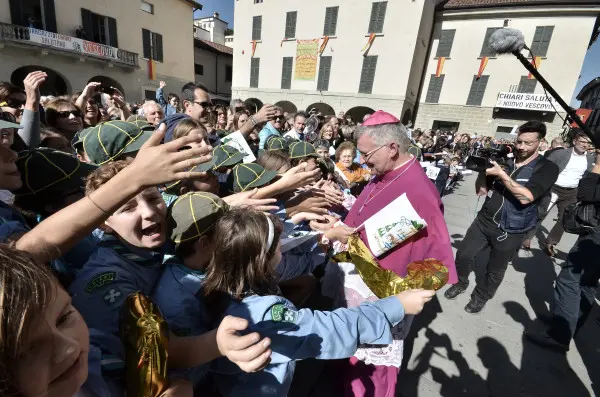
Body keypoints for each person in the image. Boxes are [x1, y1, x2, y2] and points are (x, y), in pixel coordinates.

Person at [200, 209, 435, 397]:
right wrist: (395, 306)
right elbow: (329, 328)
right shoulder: (266, 312)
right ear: (265, 258)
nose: (284, 248)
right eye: (280, 245)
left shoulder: (226, 280)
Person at [325, 110, 456, 397]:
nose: (362, 161)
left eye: (366, 154)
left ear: (392, 148)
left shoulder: (420, 191)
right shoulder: (383, 172)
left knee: (372, 367)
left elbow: (436, 261)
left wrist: (404, 298)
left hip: (382, 291)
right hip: (359, 279)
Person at [445, 121, 559, 313]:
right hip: (484, 220)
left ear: (540, 142)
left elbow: (526, 197)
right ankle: (461, 282)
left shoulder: (547, 168)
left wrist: (503, 176)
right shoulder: (505, 160)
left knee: (495, 269)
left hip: (512, 228)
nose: (521, 147)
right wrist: (483, 172)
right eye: (519, 141)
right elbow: (481, 190)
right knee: (463, 255)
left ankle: (481, 296)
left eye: (528, 143)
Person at [524, 153, 600, 352]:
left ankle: (561, 334)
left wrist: (598, 165)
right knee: (588, 280)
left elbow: (585, 193)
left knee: (569, 280)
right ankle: (569, 322)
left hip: (596, 238)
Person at [536, 130, 595, 256]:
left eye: (587, 143)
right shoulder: (561, 153)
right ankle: (526, 237)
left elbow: (590, 176)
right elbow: (545, 167)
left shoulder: (590, 159)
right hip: (554, 188)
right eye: (582, 141)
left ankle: (551, 242)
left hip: (571, 192)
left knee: (565, 218)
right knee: (541, 213)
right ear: (575, 141)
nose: (585, 145)